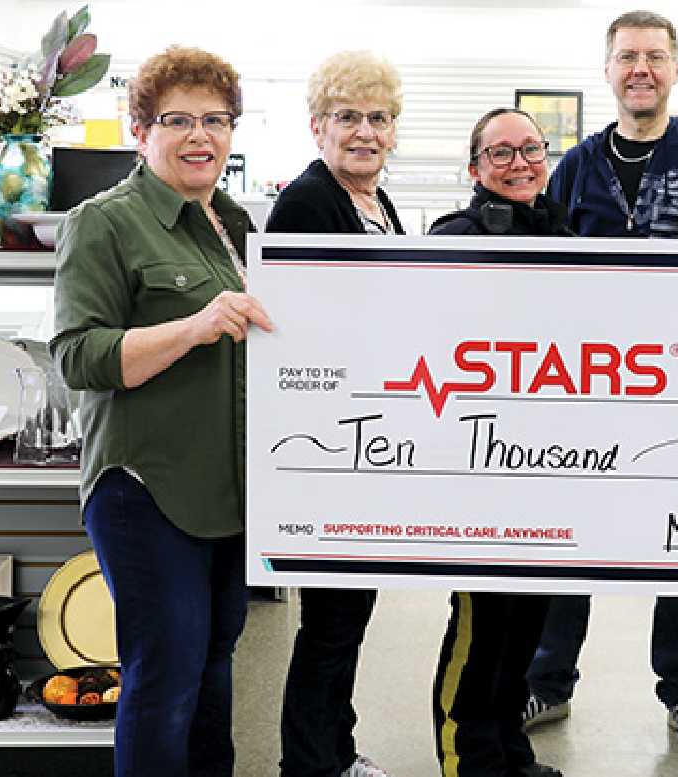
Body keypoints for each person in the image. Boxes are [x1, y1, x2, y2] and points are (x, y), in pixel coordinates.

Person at [51, 45, 272, 777]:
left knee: (213, 674)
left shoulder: (235, 226)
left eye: (215, 120)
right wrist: (195, 325)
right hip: (145, 489)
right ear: (141, 130)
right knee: (165, 680)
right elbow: (79, 357)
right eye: (177, 119)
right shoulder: (105, 223)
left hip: (228, 494)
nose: (199, 136)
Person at [529, 10, 678, 759]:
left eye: (655, 57)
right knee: (573, 535)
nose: (641, 68)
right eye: (627, 57)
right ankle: (549, 678)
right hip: (589, 388)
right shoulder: (572, 166)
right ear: (607, 71)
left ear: (675, 69)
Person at [266, 50, 405, 777]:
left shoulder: (378, 206)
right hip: (327, 447)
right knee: (328, 624)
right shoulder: (308, 202)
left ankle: (334, 751)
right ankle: (310, 763)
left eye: (378, 118)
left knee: (347, 620)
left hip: (368, 445)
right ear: (318, 126)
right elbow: (308, 331)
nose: (365, 132)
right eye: (348, 117)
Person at [426, 106, 570, 777]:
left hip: (545, 469)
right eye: (501, 152)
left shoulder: (564, 230)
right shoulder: (454, 235)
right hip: (480, 470)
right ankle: (468, 756)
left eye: (530, 149)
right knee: (481, 629)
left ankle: (508, 746)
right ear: (476, 167)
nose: (519, 163)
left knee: (524, 629)